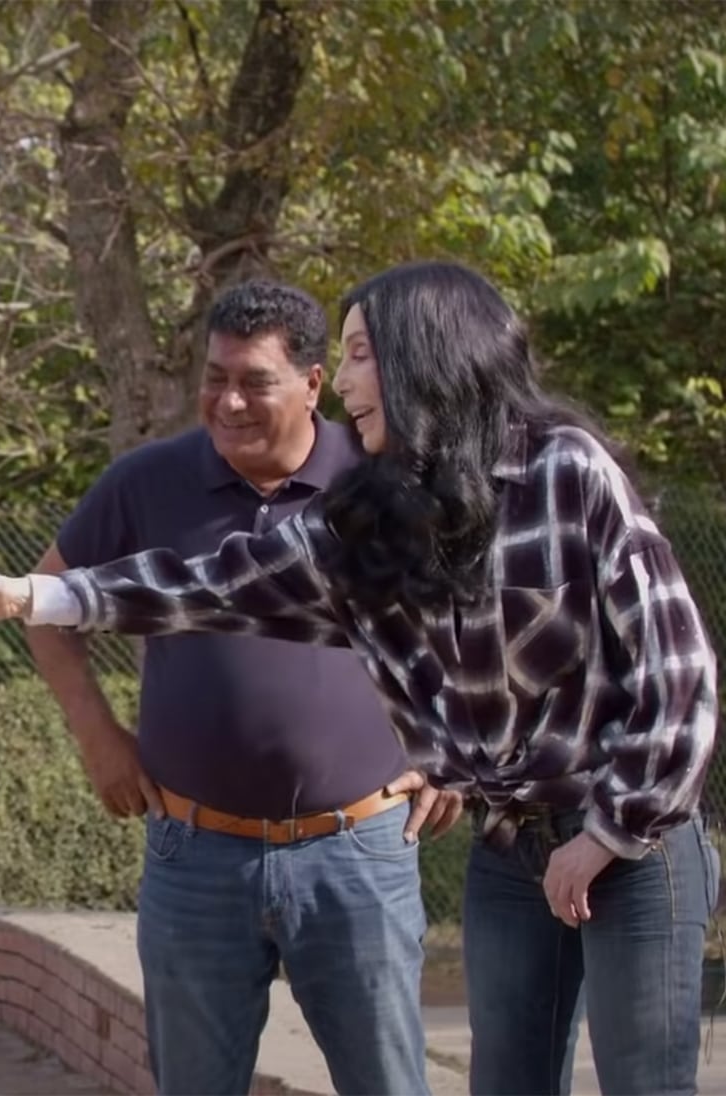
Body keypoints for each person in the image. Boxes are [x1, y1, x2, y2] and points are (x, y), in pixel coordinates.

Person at [0, 259, 721, 1096]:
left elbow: (678, 676)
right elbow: (213, 585)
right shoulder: (374, 515)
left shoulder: (566, 472)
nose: (341, 383)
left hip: (637, 836)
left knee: (644, 1083)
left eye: (356, 356)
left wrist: (606, 834)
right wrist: (27, 596)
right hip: (508, 845)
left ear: (428, 355)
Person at [25, 280, 450, 1096]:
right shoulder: (145, 482)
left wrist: (446, 751)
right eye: (214, 377)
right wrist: (97, 737)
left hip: (357, 852)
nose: (227, 401)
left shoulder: (383, 477)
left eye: (254, 381)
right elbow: (46, 607)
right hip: (196, 857)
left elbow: (466, 628)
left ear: (313, 385)